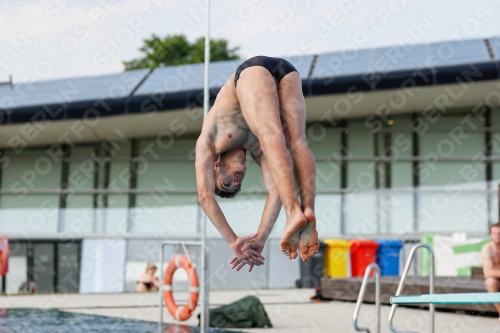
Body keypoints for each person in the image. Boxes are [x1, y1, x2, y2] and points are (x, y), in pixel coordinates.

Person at [195, 56, 319, 271]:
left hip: (252, 72)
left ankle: (294, 214)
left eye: (226, 183)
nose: (235, 182)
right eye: (236, 186)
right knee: (296, 142)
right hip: (288, 72)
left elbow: (204, 196)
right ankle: (307, 211)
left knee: (272, 135)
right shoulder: (258, 151)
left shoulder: (208, 143)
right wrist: (261, 237)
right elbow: (276, 191)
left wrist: (233, 241)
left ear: (216, 167)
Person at [482, 222, 500, 319]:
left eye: (499, 233)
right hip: (495, 279)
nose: (497, 236)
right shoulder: (487, 249)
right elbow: (488, 272)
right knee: (490, 282)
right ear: (491, 234)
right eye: (495, 233)